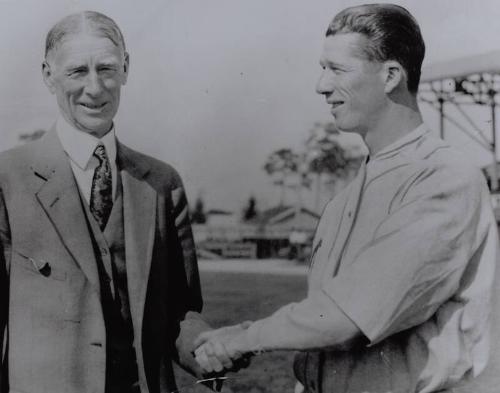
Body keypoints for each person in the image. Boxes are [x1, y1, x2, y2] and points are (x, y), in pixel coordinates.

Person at [194, 4, 498, 392]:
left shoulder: (444, 178)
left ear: (390, 76)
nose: (320, 85)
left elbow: (345, 319)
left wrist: (243, 337)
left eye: (337, 70)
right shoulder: (346, 199)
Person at [0, 11, 212, 393]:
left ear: (126, 68)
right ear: (49, 75)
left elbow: (182, 312)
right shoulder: (7, 179)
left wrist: (210, 349)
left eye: (107, 69)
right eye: (78, 71)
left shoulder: (162, 183)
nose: (95, 88)